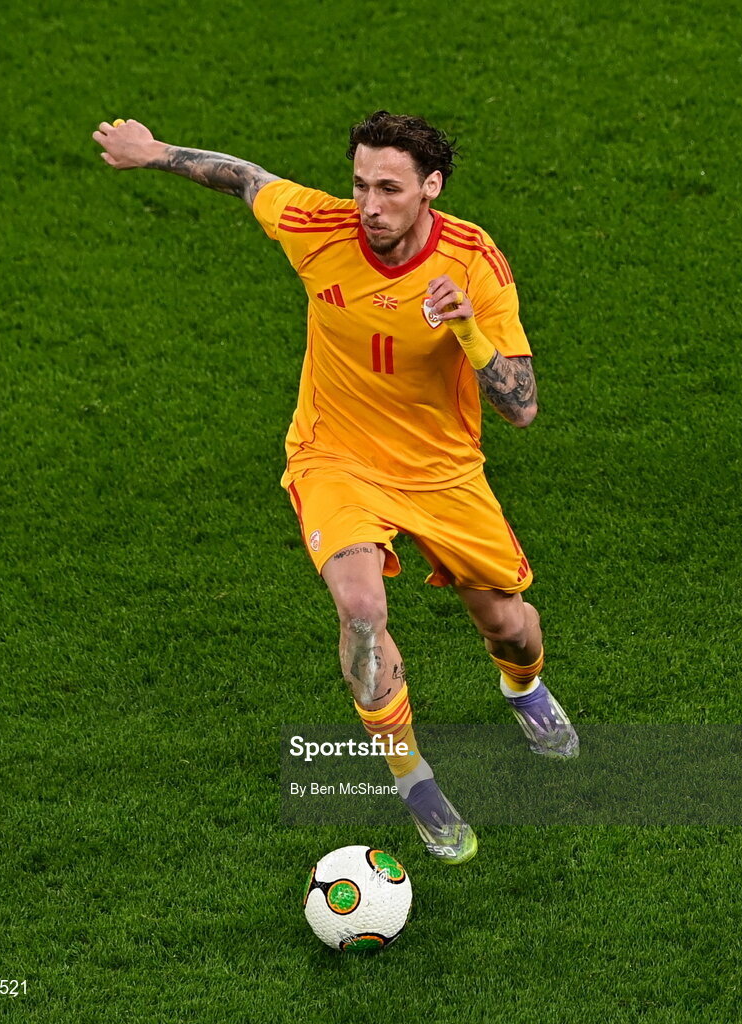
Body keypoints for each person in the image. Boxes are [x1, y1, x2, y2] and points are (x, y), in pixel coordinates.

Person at [92, 110, 579, 865]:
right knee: (360, 607)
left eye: (389, 188)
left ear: (430, 188)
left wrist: (465, 329)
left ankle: (523, 690)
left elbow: (520, 407)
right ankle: (413, 779)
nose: (369, 205)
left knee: (508, 626)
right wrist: (154, 153)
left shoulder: (472, 261)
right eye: (359, 185)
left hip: (440, 470)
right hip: (334, 455)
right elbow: (244, 177)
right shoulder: (318, 228)